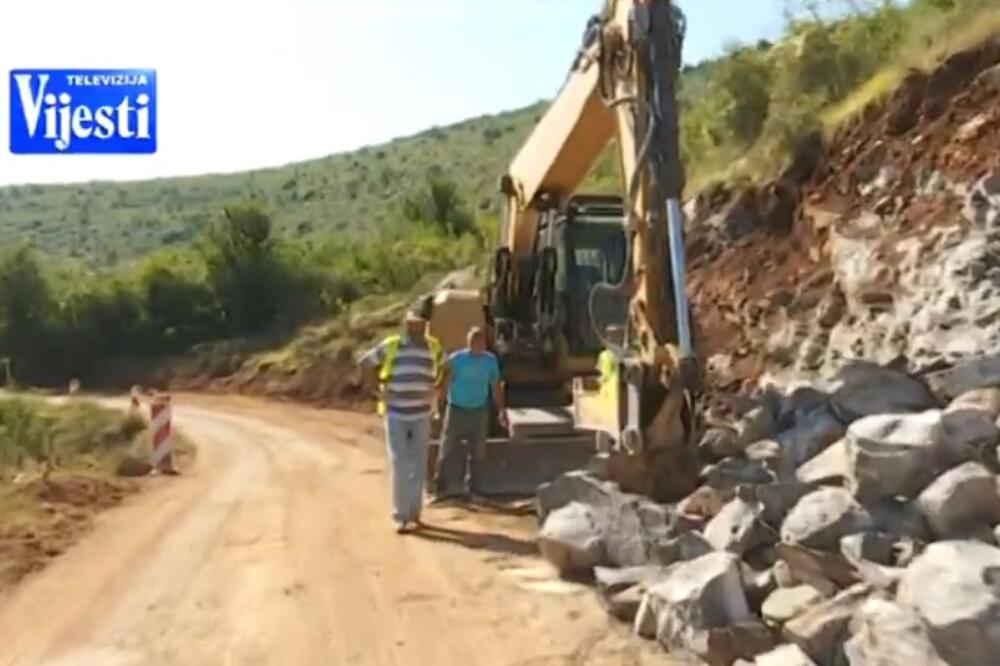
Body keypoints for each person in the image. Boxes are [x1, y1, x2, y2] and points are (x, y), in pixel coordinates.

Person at [359, 310, 442, 533]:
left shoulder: (433, 347)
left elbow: (446, 368)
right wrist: (377, 391)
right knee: (400, 463)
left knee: (418, 464)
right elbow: (365, 363)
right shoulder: (392, 345)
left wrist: (437, 389)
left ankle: (414, 514)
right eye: (412, 323)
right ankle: (401, 515)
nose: (416, 327)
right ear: (406, 324)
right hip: (396, 413)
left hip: (422, 414)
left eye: (420, 323)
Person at [433, 326, 505, 502]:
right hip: (457, 409)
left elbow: (495, 386)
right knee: (447, 449)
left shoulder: (490, 361)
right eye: (475, 342)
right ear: (468, 342)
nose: (478, 345)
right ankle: (440, 490)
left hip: (479, 410)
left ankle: (475, 489)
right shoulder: (457, 359)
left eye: (481, 342)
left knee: (478, 451)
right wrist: (438, 406)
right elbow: (444, 384)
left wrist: (501, 409)